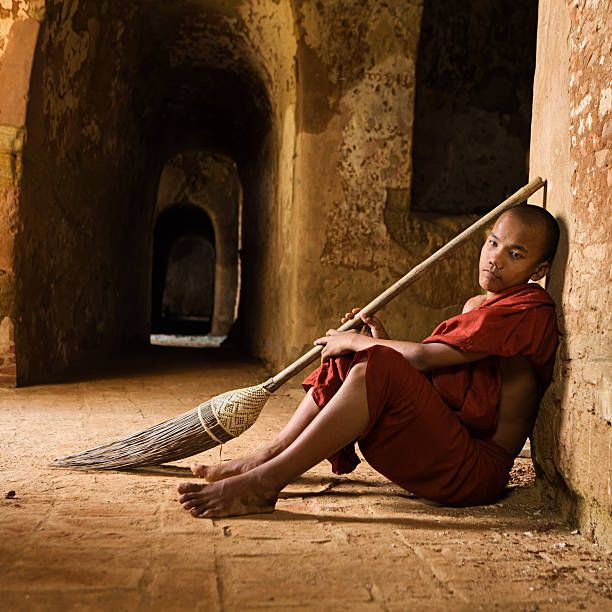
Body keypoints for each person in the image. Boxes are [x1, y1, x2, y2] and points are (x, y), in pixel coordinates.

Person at [177, 204, 560, 517]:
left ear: (539, 271)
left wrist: (361, 346)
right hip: (445, 443)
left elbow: (425, 358)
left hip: (473, 471)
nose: (495, 259)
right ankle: (268, 455)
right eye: (493, 243)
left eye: (515, 254)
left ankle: (264, 484)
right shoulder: (479, 306)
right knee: (353, 356)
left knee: (368, 356)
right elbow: (442, 388)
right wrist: (372, 343)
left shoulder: (529, 312)